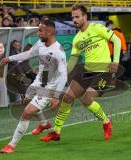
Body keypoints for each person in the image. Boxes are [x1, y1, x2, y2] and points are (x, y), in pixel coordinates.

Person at [40, 3, 121, 142]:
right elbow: (73, 59)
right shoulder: (77, 38)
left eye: (77, 17)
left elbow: (116, 40)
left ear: (85, 16)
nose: (74, 20)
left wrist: (116, 61)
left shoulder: (98, 28)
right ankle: (56, 132)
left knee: (87, 99)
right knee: (67, 98)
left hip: (104, 72)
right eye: (73, 17)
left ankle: (106, 122)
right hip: (87, 71)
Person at [0, 19, 67, 154]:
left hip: (49, 87)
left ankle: (11, 145)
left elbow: (63, 75)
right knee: (26, 101)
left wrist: (56, 96)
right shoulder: (41, 43)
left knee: (27, 112)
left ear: (49, 32)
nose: (38, 33)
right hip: (38, 81)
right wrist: (10, 58)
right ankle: (44, 124)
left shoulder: (58, 51)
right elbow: (29, 54)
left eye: (40, 31)